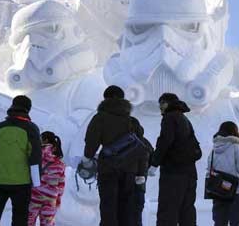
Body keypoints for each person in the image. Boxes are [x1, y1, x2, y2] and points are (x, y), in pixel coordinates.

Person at [82, 85, 144, 226]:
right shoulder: (132, 121)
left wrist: (87, 159)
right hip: (130, 170)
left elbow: (91, 141)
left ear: (105, 99)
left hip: (108, 168)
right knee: (126, 207)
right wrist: (140, 173)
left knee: (108, 205)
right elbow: (141, 148)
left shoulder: (100, 118)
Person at [0, 95, 42, 226]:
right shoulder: (31, 128)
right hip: (22, 183)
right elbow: (35, 157)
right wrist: (36, 183)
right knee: (20, 218)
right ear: (28, 109)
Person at [150, 93, 202, 226]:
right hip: (190, 173)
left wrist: (154, 163)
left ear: (169, 103)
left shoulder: (170, 117)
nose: (160, 106)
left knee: (168, 211)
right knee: (187, 211)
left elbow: (165, 141)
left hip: (173, 173)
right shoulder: (184, 119)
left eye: (162, 103)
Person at [207, 121, 239, 226]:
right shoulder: (237, 148)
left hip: (218, 191)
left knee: (219, 222)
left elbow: (209, 170)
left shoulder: (214, 149)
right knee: (237, 221)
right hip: (235, 192)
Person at [28, 131, 65, 226]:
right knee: (48, 224)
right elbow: (61, 186)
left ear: (46, 140)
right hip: (50, 198)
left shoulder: (35, 155)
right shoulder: (59, 163)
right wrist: (57, 200)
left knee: (28, 221)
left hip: (34, 195)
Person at [134, 133, 154, 226]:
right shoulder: (144, 142)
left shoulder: (119, 140)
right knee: (137, 211)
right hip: (140, 184)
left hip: (122, 184)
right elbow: (152, 157)